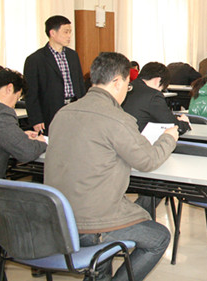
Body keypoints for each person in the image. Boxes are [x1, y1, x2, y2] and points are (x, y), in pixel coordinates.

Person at [45, 52, 179, 281]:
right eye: (128, 85)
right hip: (92, 223)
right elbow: (148, 161)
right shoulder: (117, 118)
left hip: (59, 220)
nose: (127, 91)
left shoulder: (62, 113)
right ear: (117, 82)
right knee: (159, 237)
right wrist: (168, 138)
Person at [23, 15, 86, 133]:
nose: (69, 36)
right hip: (50, 111)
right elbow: (31, 93)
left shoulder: (73, 55)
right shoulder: (35, 59)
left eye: (70, 32)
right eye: (66, 32)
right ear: (52, 33)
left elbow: (80, 84)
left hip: (75, 108)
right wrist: (36, 119)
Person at [0, 69, 47, 178]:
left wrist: (20, 136)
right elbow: (27, 152)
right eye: (17, 97)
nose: (14, 104)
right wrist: (40, 142)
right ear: (9, 88)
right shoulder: (2, 113)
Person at [122, 62, 191, 135]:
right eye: (161, 89)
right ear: (158, 80)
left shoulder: (126, 88)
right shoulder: (153, 95)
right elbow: (173, 125)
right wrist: (185, 123)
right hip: (140, 139)